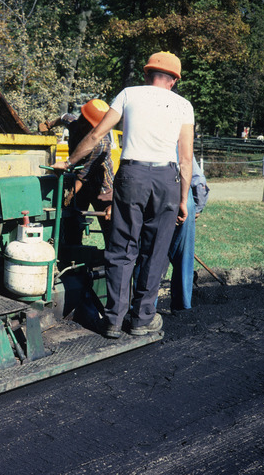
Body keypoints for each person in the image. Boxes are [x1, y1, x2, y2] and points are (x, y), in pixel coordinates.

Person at [52, 51, 194, 338]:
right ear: (174, 81)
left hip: (132, 176)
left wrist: (67, 163)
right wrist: (182, 199)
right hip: (167, 180)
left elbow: (94, 137)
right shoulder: (183, 106)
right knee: (155, 251)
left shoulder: (128, 94)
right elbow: (186, 158)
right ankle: (141, 319)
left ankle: (113, 320)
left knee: (121, 247)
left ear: (146, 74)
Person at [40, 99, 114, 246]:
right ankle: (73, 256)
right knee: (73, 221)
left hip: (101, 186)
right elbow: (63, 118)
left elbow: (84, 175)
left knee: (109, 223)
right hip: (79, 180)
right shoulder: (74, 124)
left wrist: (67, 199)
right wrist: (48, 125)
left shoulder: (100, 144)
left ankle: (110, 259)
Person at [168, 155, 208, 313]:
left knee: (152, 259)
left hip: (155, 198)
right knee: (184, 259)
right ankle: (182, 307)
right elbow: (198, 180)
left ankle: (144, 310)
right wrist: (197, 208)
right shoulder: (181, 142)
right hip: (184, 201)